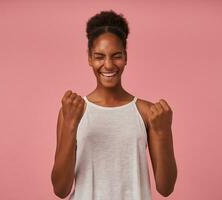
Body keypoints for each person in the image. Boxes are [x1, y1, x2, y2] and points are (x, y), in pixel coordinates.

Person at [51, 10, 177, 200]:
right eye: (99, 56)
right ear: (90, 59)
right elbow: (60, 190)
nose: (108, 65)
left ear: (126, 57)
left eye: (116, 56)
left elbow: (166, 188)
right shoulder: (73, 111)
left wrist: (163, 133)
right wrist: (70, 125)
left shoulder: (147, 113)